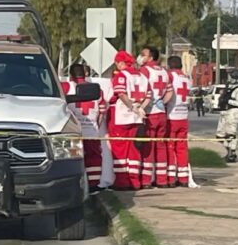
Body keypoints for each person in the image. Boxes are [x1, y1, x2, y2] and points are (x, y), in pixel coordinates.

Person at [108, 51, 149, 190]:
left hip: (122, 117)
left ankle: (122, 181)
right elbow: (148, 96)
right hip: (137, 118)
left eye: (117, 63)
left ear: (121, 63)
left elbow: (121, 94)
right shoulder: (143, 76)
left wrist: (132, 107)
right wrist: (140, 109)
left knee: (119, 149)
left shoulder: (121, 75)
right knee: (134, 150)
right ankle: (135, 180)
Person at [62, 64, 106, 192]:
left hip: (73, 132)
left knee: (72, 158)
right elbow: (102, 112)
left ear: (70, 76)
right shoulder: (97, 90)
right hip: (92, 132)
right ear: (85, 74)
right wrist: (95, 126)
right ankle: (93, 186)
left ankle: (74, 186)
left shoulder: (65, 87)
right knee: (94, 158)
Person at [138, 46, 173, 188]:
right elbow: (170, 93)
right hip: (161, 113)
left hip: (149, 113)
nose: (140, 57)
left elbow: (140, 91)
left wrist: (142, 107)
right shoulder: (164, 72)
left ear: (150, 57)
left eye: (143, 54)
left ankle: (146, 180)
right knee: (161, 146)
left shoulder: (144, 71)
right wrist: (161, 103)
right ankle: (162, 179)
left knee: (148, 146)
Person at [166, 56, 191, 187]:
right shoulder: (186, 78)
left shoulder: (170, 76)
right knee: (182, 148)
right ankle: (183, 177)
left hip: (171, 116)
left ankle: (170, 178)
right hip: (184, 116)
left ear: (170, 65)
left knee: (170, 147)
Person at [216, 69, 238, 163]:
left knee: (230, 133)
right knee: (220, 135)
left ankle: (232, 154)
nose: (230, 79)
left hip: (234, 112)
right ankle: (229, 151)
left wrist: (227, 100)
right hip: (226, 111)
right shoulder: (231, 87)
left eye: (232, 77)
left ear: (237, 79)